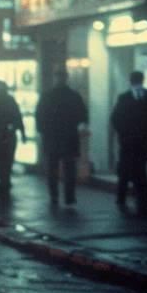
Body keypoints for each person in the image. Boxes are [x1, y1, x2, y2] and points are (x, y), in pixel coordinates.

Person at [110, 70, 147, 215]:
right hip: (145, 142)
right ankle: (141, 200)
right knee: (139, 169)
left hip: (129, 142)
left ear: (130, 81)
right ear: (142, 80)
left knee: (129, 169)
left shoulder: (124, 98)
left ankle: (125, 198)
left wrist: (123, 133)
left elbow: (115, 119)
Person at [35, 67, 88, 205]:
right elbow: (83, 115)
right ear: (66, 79)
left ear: (55, 78)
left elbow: (39, 115)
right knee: (69, 168)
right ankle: (69, 197)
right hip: (69, 137)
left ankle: (54, 195)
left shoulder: (47, 95)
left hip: (51, 137)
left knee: (52, 168)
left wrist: (42, 131)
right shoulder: (74, 96)